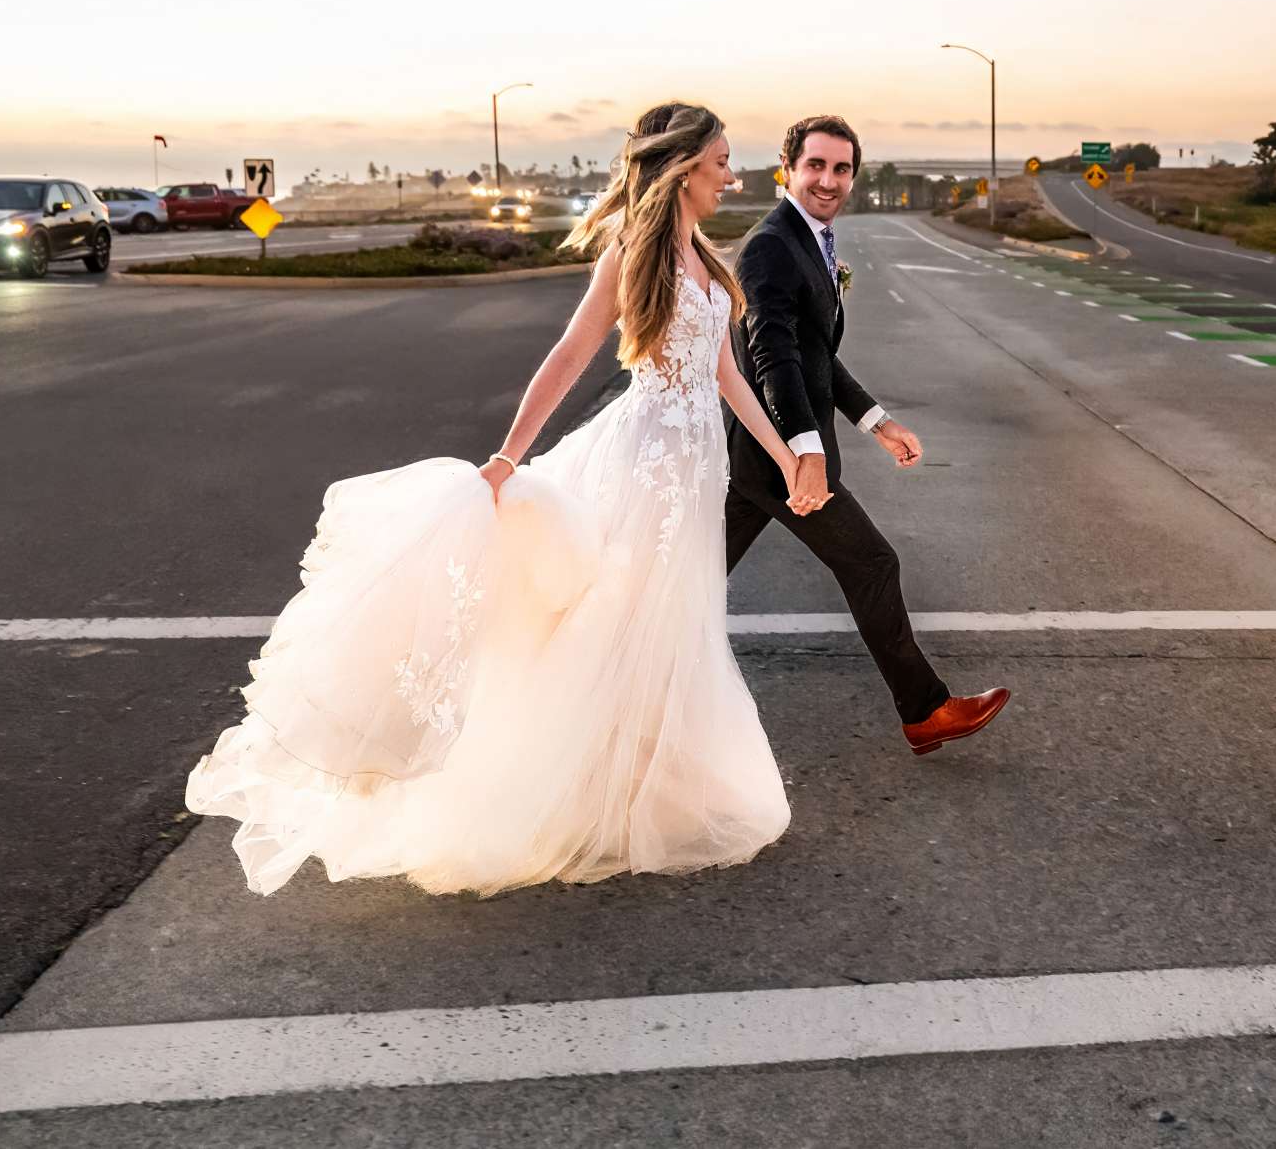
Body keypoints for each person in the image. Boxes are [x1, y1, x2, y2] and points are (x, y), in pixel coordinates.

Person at [186, 103, 815, 895]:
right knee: (616, 623)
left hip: (695, 472)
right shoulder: (631, 254)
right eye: (722, 159)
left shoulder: (703, 255)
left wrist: (787, 454)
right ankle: (577, 790)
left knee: (674, 626)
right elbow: (572, 353)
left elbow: (726, 375)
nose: (733, 173)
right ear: (685, 165)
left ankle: (646, 783)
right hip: (644, 462)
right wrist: (506, 457)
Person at [725, 114, 1010, 756]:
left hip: (754, 459)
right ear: (788, 169)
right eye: (815, 166)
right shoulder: (773, 245)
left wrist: (876, 422)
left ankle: (610, 672)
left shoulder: (812, 241)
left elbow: (818, 353)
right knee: (872, 561)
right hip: (777, 457)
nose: (829, 180)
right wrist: (807, 451)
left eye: (841, 168)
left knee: (690, 573)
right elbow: (772, 352)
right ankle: (926, 710)